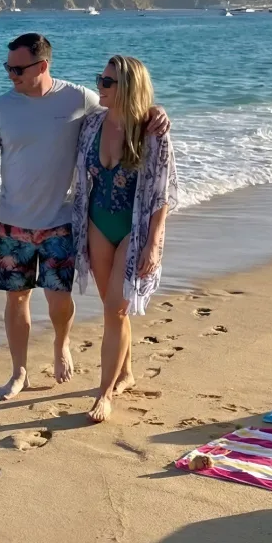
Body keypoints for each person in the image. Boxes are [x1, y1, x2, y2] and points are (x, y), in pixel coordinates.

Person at [0, 33, 168, 401]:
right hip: (12, 220)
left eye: (18, 69)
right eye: (7, 68)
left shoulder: (77, 99)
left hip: (61, 221)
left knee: (62, 300)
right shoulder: (0, 108)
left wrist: (156, 112)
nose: (11, 75)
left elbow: (125, 110)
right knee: (17, 299)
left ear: (42, 66)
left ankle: (62, 343)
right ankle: (19, 372)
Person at [72, 56, 178, 422]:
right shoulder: (92, 124)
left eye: (107, 82)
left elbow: (162, 193)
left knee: (115, 308)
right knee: (114, 308)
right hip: (97, 224)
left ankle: (104, 394)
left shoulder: (152, 131)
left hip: (133, 230)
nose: (99, 86)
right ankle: (127, 372)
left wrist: (153, 243)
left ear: (128, 88)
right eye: (99, 79)